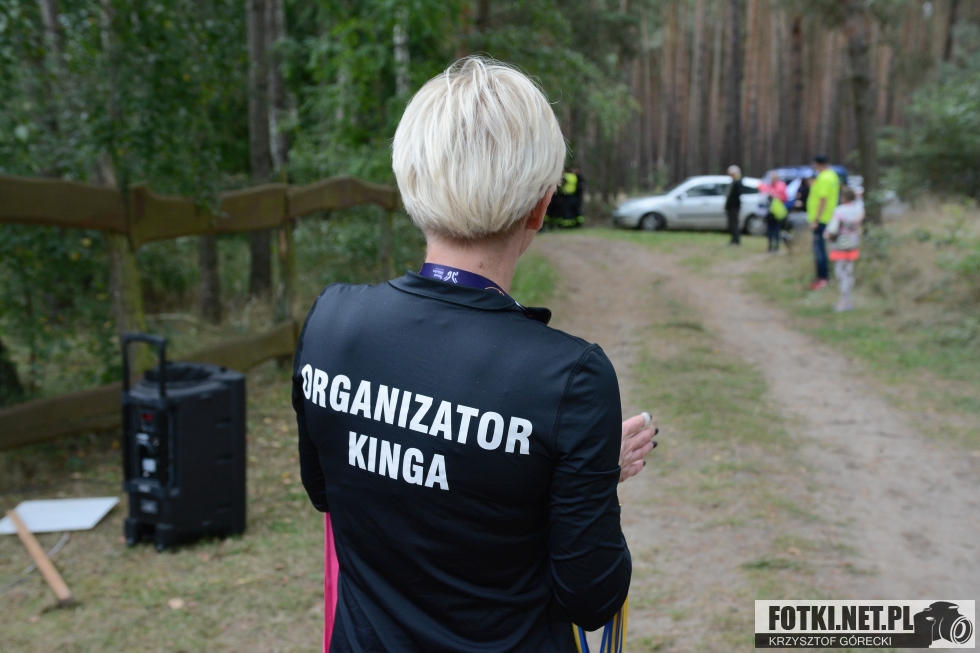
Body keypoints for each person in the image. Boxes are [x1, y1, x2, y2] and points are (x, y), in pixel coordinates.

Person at [293, 57, 656, 652]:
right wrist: (584, 484)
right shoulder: (570, 379)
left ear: (411, 184)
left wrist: (569, 479)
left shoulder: (331, 321)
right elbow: (591, 596)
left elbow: (329, 492)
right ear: (541, 206)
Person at [826, 186, 864, 311]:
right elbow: (860, 212)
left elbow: (832, 229)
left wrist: (827, 235)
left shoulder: (839, 210)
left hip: (840, 245)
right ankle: (848, 300)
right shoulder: (858, 210)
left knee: (840, 273)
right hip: (852, 244)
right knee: (849, 272)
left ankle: (843, 301)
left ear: (844, 197)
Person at [806, 155, 840, 290]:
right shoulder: (832, 176)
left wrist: (816, 220)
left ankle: (822, 278)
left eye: (814, 164)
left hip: (821, 220)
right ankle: (825, 277)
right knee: (823, 249)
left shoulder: (824, 177)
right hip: (828, 218)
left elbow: (822, 200)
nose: (813, 167)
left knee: (819, 250)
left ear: (818, 164)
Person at [759, 172, 788, 253]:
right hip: (769, 212)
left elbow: (785, 198)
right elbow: (763, 193)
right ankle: (770, 246)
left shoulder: (781, 186)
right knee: (769, 229)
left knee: (776, 229)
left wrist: (775, 195)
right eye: (771, 178)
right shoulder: (768, 186)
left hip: (777, 212)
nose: (772, 180)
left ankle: (777, 246)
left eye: (773, 178)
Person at [725, 165, 745, 245]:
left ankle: (736, 240)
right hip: (731, 207)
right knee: (732, 224)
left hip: (734, 206)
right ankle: (733, 239)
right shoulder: (734, 182)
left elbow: (736, 194)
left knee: (734, 224)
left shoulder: (738, 182)